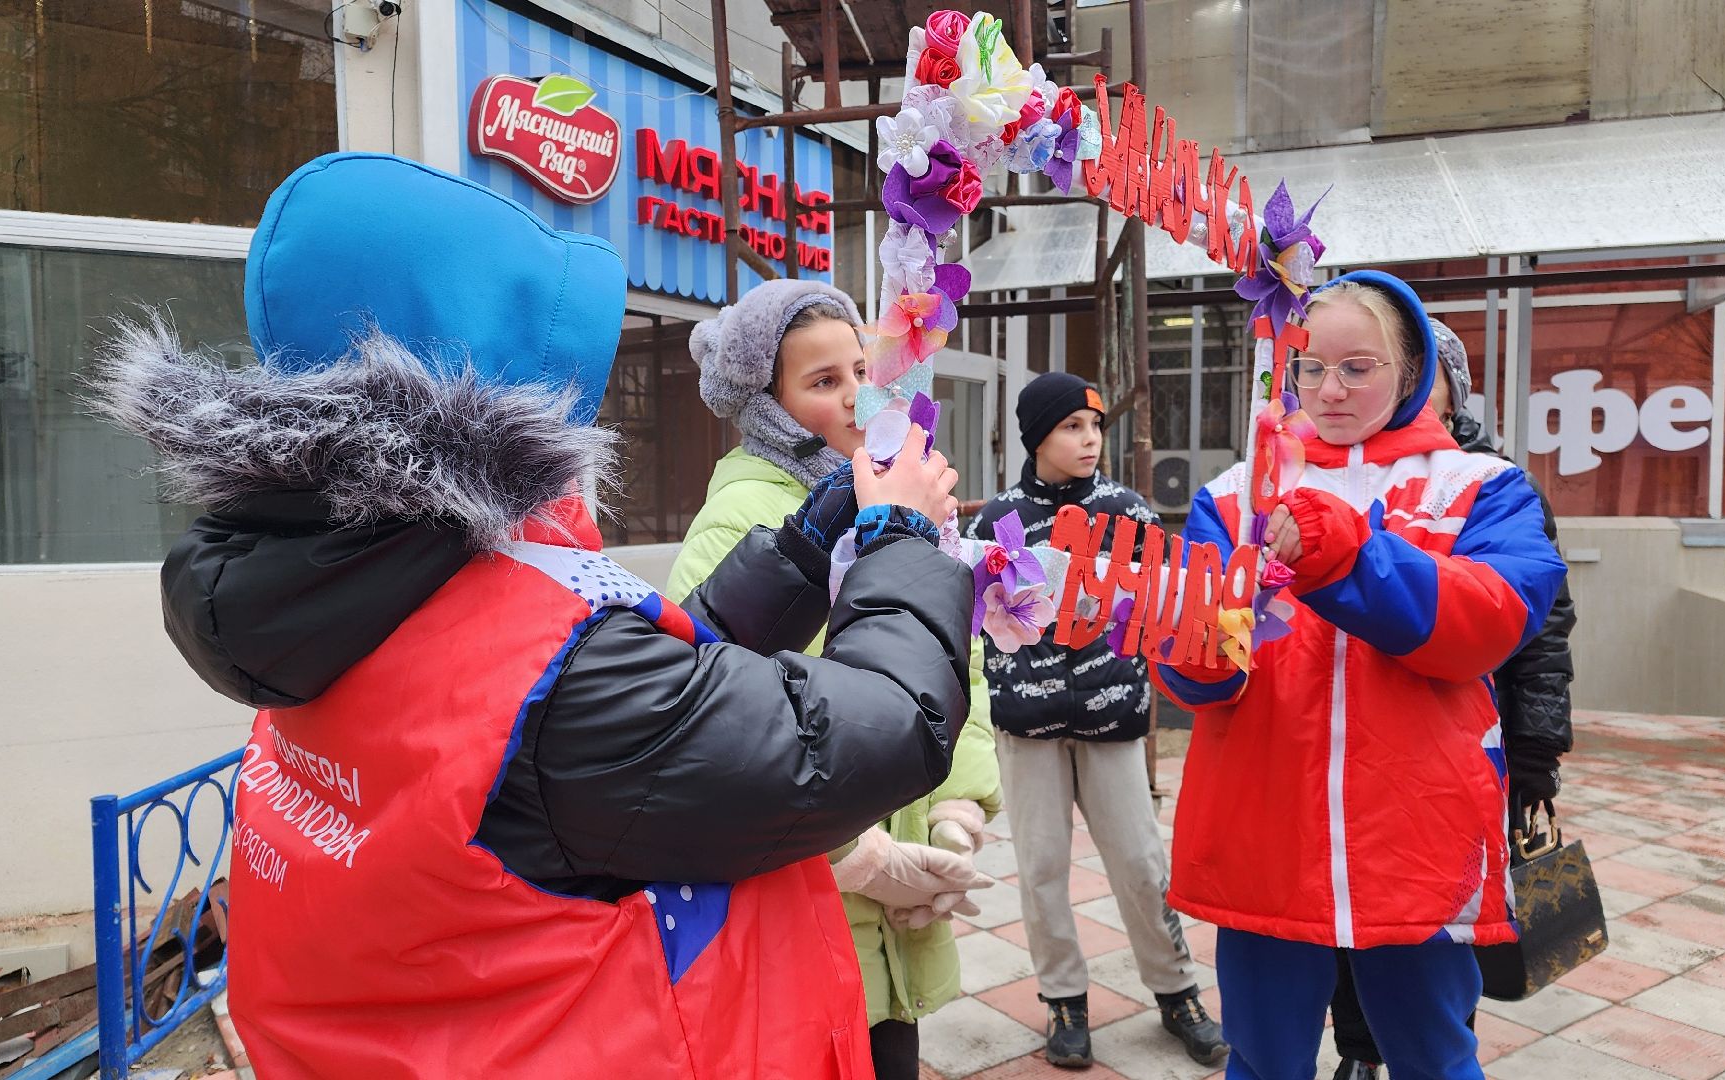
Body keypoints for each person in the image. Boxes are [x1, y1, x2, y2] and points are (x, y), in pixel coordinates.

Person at [88, 152, 978, 1080]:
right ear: (481, 384)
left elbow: (647, 692)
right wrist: (901, 536)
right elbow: (883, 727)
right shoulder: (546, 677)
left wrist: (804, 549)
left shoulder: (344, 583)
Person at [1154, 271, 1567, 1080]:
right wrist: (1191, 649)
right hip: (1262, 827)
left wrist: (1350, 556)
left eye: (1357, 367)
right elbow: (1204, 676)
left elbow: (1490, 620)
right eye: (1310, 366)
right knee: (1262, 1062)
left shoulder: (1479, 486)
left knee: (1435, 1060)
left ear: (1410, 370)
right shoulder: (1233, 495)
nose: (1329, 389)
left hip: (1416, 833)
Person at [666, 278, 1003, 1080]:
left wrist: (956, 807)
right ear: (769, 407)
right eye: (823, 381)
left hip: (896, 896)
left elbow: (949, 647)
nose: (857, 396)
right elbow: (718, 723)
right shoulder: (743, 517)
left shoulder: (896, 494)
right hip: (801, 898)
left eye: (861, 369)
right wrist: (860, 858)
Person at [1326, 319, 1578, 1080]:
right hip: (1359, 750)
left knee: (1446, 919)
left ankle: (1435, 1047)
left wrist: (1536, 750)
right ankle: (1360, 1052)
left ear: (1448, 389)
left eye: (1419, 372)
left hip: (1463, 747)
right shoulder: (1340, 475)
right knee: (1349, 905)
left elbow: (1543, 635)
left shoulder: (1494, 483)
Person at [968, 372, 1228, 1070]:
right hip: (1026, 722)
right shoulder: (997, 522)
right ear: (1036, 437)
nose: (1090, 441)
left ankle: (1177, 991)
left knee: (1141, 863)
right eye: (1072, 427)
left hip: (1113, 714)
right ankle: (1064, 1000)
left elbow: (1164, 608)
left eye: (1096, 427)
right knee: (1041, 867)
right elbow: (977, 619)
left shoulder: (1130, 513)